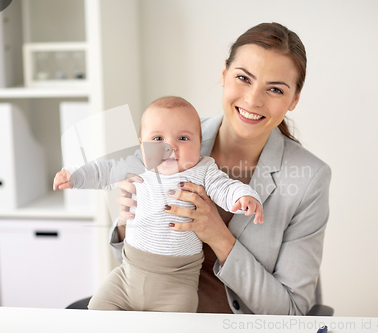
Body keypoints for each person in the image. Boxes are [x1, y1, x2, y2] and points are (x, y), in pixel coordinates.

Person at [111, 22, 332, 315]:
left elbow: (291, 313)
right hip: (157, 317)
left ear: (294, 100)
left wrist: (218, 236)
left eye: (275, 89)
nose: (253, 99)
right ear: (224, 74)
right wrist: (128, 222)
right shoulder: (170, 137)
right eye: (243, 78)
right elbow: (128, 267)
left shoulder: (309, 178)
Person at [53, 96, 263, 312]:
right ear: (142, 145)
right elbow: (102, 171)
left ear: (200, 144)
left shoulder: (203, 171)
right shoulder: (136, 165)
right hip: (127, 278)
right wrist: (74, 176)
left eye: (182, 138)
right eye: (158, 138)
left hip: (176, 285)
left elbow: (225, 187)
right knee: (97, 310)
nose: (170, 146)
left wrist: (242, 197)